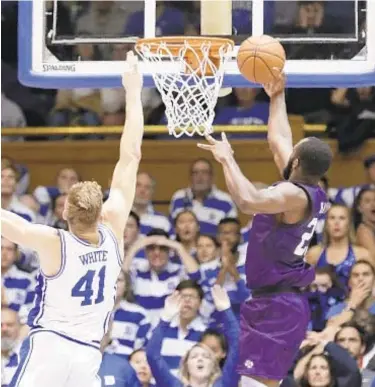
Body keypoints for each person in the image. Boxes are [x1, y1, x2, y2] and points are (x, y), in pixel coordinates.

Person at [1, 51, 144, 387]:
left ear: (64, 211)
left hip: (50, 346)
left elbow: (11, 224)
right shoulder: (114, 229)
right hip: (88, 353)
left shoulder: (54, 242)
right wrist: (134, 92)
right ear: (101, 210)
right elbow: (131, 154)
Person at [198, 71, 333, 387]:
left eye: (294, 151)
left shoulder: (292, 195)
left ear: (296, 162)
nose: (290, 150)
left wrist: (227, 160)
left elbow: (248, 200)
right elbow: (278, 140)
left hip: (278, 305)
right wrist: (277, 96)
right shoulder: (306, 186)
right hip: (275, 301)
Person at [306, 204, 370, 288]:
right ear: (326, 223)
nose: (336, 222)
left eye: (342, 218)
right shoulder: (314, 254)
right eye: (332, 218)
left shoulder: (363, 254)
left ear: (349, 223)